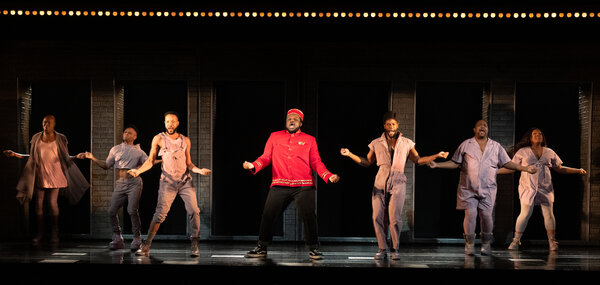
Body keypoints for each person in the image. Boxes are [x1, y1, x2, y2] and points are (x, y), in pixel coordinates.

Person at [340, 111, 449, 260]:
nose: (390, 126)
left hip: (398, 181)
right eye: (388, 124)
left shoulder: (407, 143)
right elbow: (366, 162)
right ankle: (382, 248)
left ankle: (395, 249)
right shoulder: (376, 143)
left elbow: (418, 159)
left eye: (393, 123)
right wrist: (350, 154)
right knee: (377, 216)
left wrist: (436, 155)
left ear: (397, 125)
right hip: (380, 180)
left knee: (394, 217)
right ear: (384, 126)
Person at [243, 108, 340, 260]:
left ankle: (313, 248)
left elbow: (316, 162)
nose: (292, 121)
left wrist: (328, 175)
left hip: (303, 185)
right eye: (289, 119)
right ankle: (262, 246)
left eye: (295, 119)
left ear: (301, 122)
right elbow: (266, 157)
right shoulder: (275, 136)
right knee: (268, 215)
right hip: (279, 183)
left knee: (309, 216)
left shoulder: (309, 139)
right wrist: (253, 165)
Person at [428, 120, 537, 255]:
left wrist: (524, 168)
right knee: (471, 214)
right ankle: (469, 244)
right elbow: (455, 162)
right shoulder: (466, 145)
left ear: (487, 130)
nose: (483, 127)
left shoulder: (495, 146)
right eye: (480, 125)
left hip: (488, 188)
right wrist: (437, 165)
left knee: (486, 216)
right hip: (468, 187)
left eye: (485, 125)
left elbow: (508, 163)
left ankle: (486, 243)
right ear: (474, 129)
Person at [128, 111, 211, 257]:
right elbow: (150, 161)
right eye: (167, 121)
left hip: (185, 181)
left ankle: (194, 245)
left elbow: (189, 163)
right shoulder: (159, 139)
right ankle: (146, 245)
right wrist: (138, 171)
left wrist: (199, 171)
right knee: (160, 215)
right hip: (167, 183)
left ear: (177, 123)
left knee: (194, 211)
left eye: (173, 121)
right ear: (164, 123)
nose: (170, 124)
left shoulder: (185, 140)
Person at [3, 115, 89, 245]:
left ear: (54, 124)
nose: (46, 125)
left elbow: (66, 157)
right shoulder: (36, 137)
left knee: (52, 204)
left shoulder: (60, 138)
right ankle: (40, 234)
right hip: (40, 174)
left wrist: (77, 156)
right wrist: (16, 154)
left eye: (49, 123)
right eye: (44, 122)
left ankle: (55, 234)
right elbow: (31, 156)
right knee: (38, 204)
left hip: (55, 174)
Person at [498, 128, 586, 251]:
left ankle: (552, 242)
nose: (538, 135)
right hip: (528, 187)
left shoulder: (549, 152)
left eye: (540, 134)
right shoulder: (523, 151)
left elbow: (559, 168)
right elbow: (512, 167)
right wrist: (495, 172)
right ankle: (516, 241)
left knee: (548, 214)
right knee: (525, 213)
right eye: (535, 134)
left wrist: (577, 170)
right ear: (530, 137)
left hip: (545, 187)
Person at [77, 125, 150, 251]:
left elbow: (149, 163)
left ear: (135, 136)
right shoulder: (115, 149)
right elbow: (106, 165)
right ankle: (117, 238)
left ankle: (137, 238)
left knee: (132, 210)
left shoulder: (139, 151)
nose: (126, 134)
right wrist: (92, 157)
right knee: (111, 211)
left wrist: (162, 160)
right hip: (120, 183)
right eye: (125, 132)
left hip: (134, 183)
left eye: (129, 133)